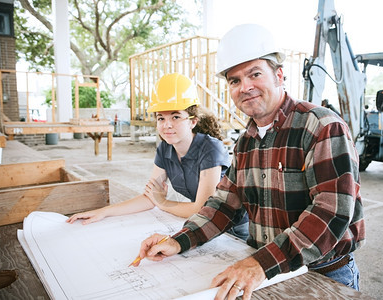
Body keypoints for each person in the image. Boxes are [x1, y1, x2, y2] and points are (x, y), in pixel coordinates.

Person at [134, 24, 365, 300]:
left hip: (322, 274)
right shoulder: (246, 142)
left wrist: (259, 264)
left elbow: (331, 213)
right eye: (234, 81)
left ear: (279, 75)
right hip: (267, 271)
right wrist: (179, 241)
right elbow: (224, 204)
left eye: (255, 74)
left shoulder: (321, 127)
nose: (245, 87)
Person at [67, 73, 249, 241]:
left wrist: (162, 202)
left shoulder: (210, 148)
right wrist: (104, 212)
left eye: (176, 116)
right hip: (206, 225)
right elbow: (149, 198)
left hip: (235, 228)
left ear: (193, 121)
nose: (167, 125)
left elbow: (202, 208)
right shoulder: (165, 149)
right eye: (161, 118)